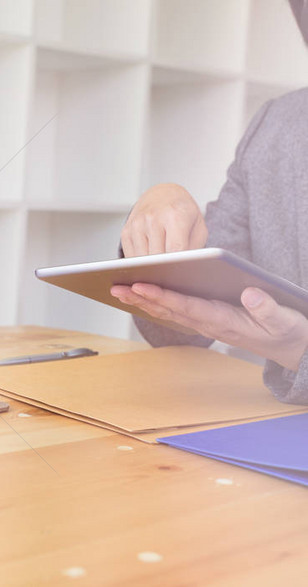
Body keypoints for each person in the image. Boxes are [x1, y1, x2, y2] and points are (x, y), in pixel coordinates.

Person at [111, 2, 308, 404]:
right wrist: (159, 221)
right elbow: (178, 330)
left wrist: (299, 352)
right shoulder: (277, 124)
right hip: (263, 431)